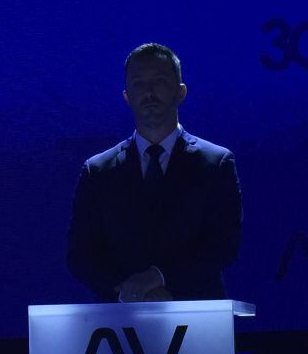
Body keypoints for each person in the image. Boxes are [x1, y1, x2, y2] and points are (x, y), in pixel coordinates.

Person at [66, 42, 242, 302]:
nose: (149, 92)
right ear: (127, 96)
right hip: (120, 317)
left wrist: (159, 278)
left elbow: (223, 246)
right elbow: (81, 254)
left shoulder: (216, 164)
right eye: (138, 84)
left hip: (196, 313)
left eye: (159, 81)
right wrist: (129, 290)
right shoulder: (98, 171)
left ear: (180, 91)